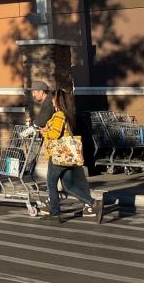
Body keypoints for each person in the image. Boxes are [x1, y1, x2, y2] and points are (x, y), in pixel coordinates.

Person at [40, 89, 103, 224]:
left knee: (51, 183)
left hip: (58, 155)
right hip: (67, 156)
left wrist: (44, 131)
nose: (51, 100)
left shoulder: (59, 115)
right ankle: (94, 203)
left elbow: (55, 135)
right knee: (68, 185)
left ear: (57, 100)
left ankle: (55, 212)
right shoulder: (66, 114)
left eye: (53, 98)